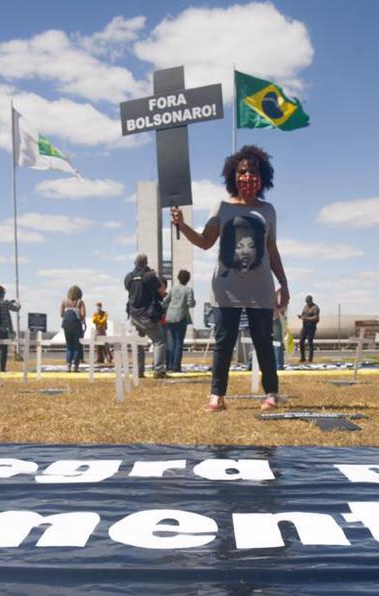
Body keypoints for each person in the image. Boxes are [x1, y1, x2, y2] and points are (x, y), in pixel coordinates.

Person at [171, 145, 289, 411]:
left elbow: (271, 249)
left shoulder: (268, 210)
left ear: (264, 176)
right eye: (242, 171)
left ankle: (271, 392)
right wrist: (182, 225)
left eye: (253, 172)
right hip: (226, 288)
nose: (247, 177)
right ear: (232, 175)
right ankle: (217, 396)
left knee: (263, 341)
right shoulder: (222, 207)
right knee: (224, 342)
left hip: (261, 288)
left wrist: (284, 282)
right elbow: (204, 241)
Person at [124, 254, 167, 378]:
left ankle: (138, 371)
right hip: (148, 315)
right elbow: (162, 291)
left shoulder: (129, 277)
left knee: (138, 344)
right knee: (159, 341)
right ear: (146, 263)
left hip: (133, 315)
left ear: (135, 263)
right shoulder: (150, 276)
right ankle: (159, 370)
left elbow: (129, 290)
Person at [163, 270, 196, 372]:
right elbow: (190, 304)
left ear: (178, 278)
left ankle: (169, 365)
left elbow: (165, 301)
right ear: (188, 279)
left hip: (169, 317)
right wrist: (194, 302)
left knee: (170, 342)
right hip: (181, 317)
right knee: (178, 342)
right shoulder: (188, 290)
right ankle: (176, 366)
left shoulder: (173, 289)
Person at [60, 285, 86, 372]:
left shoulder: (64, 302)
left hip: (66, 325)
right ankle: (75, 366)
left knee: (69, 346)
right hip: (76, 326)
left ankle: (68, 365)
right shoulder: (80, 302)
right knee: (77, 346)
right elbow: (83, 315)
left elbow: (61, 314)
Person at [298, 295, 319, 363]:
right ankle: (302, 358)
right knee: (301, 341)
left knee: (310, 342)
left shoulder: (315, 308)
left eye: (308, 301)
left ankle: (310, 359)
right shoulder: (305, 307)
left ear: (311, 300)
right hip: (304, 327)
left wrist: (306, 318)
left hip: (311, 327)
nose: (307, 303)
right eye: (306, 301)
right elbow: (303, 315)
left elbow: (316, 317)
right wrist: (301, 316)